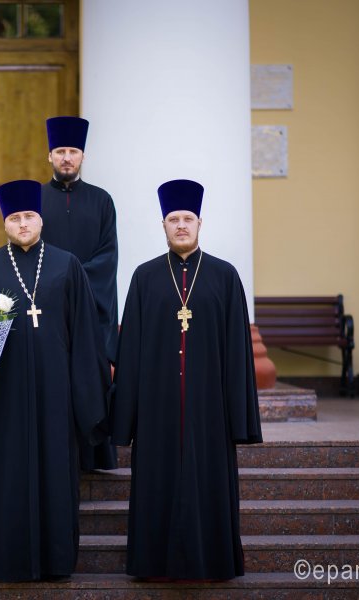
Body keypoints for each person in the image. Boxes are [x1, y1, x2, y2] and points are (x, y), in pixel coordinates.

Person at [110, 179, 263, 581]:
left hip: (209, 409)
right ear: (163, 225)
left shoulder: (225, 276)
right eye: (173, 219)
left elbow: (238, 352)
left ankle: (212, 562)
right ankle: (153, 565)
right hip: (157, 408)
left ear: (199, 223)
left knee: (207, 483)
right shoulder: (144, 278)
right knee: (157, 484)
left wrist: (239, 417)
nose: (181, 225)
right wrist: (125, 420)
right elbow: (130, 352)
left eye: (188, 219)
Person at [0, 179, 110, 582]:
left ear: (41, 219)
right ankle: (7, 561)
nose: (23, 223)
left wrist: (86, 399)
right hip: (5, 395)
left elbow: (85, 336)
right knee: (7, 476)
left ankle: (56, 561)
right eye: (15, 218)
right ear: (5, 224)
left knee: (56, 474)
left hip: (56, 393)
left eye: (29, 216)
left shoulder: (68, 265)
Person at [41, 116, 119, 471]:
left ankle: (93, 454)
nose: (66, 157)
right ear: (50, 156)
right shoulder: (37, 200)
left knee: (90, 379)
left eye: (73, 151)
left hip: (91, 309)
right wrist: (54, 285)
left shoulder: (102, 201)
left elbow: (108, 256)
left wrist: (71, 280)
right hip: (47, 308)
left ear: (83, 156)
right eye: (60, 151)